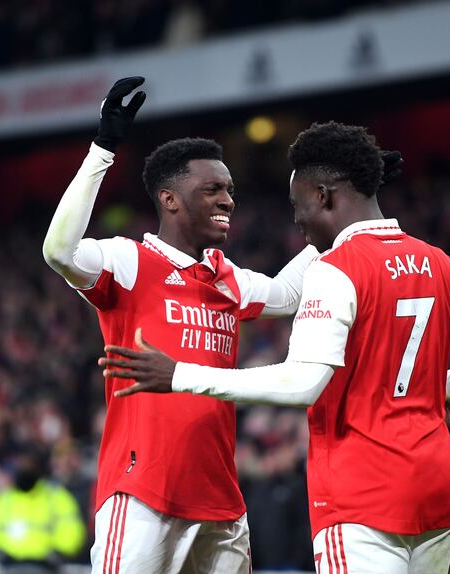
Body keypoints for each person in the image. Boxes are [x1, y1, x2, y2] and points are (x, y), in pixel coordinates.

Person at [100, 121, 450, 573]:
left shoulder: (337, 269)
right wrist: (433, 388)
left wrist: (180, 375)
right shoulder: (441, 264)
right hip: (438, 489)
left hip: (362, 495)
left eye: (297, 204)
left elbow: (303, 383)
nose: (296, 219)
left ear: (323, 196)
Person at [42, 76, 320, 573]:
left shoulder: (227, 278)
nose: (228, 200)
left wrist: (336, 219)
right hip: (142, 493)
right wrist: (102, 150)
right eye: (212, 190)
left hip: (220, 500)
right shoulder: (130, 262)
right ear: (170, 200)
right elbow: (59, 251)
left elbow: (291, 293)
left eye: (229, 190)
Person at [0, 450, 86, 573]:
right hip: (9, 567)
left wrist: (58, 553)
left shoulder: (55, 496)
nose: (25, 470)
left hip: (45, 568)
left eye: (29, 466)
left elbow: (71, 528)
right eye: (21, 466)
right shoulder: (2, 498)